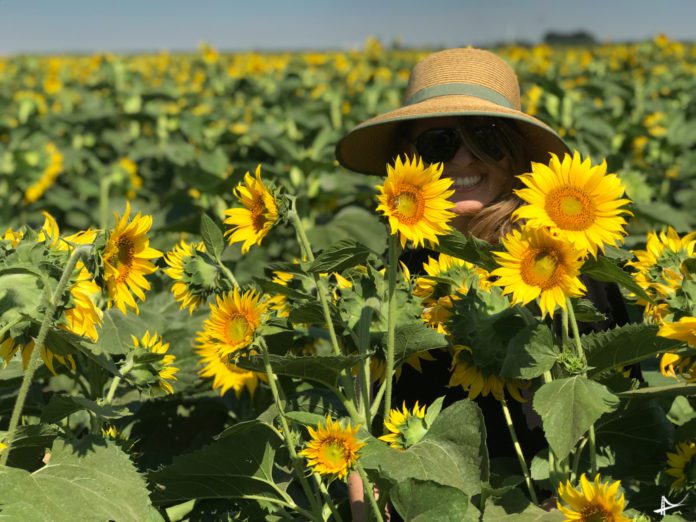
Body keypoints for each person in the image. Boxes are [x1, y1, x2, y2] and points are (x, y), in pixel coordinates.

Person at [334, 47, 631, 517]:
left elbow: (618, 415)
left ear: (514, 154)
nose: (464, 158)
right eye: (439, 143)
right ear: (410, 158)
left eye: (487, 139)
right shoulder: (397, 274)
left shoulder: (565, 262)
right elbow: (363, 419)